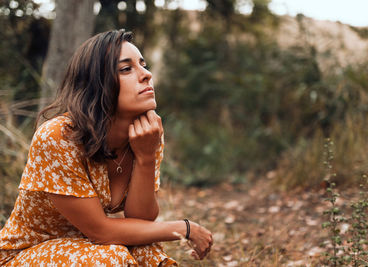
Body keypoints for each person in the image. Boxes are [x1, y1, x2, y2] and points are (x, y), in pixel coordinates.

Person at [0, 29, 213, 266]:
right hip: (27, 254)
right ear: (96, 84)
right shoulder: (59, 137)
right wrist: (184, 228)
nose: (146, 74)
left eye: (143, 65)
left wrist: (145, 157)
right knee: (112, 257)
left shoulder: (147, 134)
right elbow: (101, 232)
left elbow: (141, 219)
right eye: (126, 69)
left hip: (91, 247)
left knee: (147, 251)